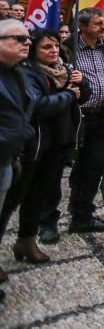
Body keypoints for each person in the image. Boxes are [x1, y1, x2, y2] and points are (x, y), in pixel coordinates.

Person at [0, 30, 89, 266]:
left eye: (56, 46)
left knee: (38, 196)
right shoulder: (28, 73)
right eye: (46, 47)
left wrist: (81, 83)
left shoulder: (64, 69)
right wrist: (69, 94)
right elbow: (38, 106)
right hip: (32, 146)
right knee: (11, 200)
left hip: (57, 145)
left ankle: (26, 241)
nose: (54, 51)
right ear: (33, 51)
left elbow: (83, 96)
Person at [63, 8, 104, 234]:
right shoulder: (66, 48)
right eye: (98, 23)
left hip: (100, 117)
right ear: (82, 26)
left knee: (94, 167)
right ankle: (47, 216)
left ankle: (82, 215)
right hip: (72, 117)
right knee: (61, 167)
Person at [0, 20, 35, 283]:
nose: (27, 43)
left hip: (10, 157)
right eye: (19, 39)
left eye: (28, 39)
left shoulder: (18, 72)